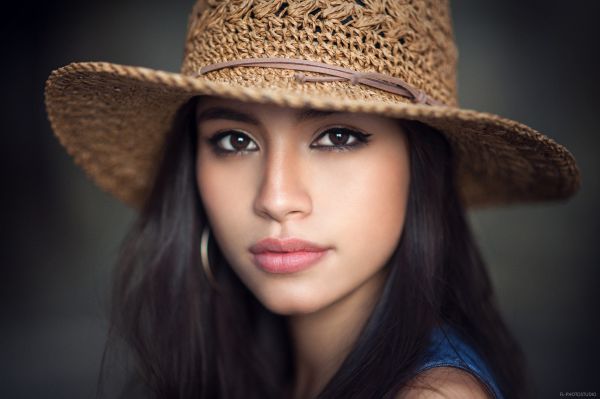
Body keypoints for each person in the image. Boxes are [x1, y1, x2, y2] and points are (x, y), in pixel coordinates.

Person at [44, 1, 580, 398]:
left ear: (421, 165)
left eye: (338, 136)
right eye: (235, 140)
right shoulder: (258, 367)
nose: (276, 198)